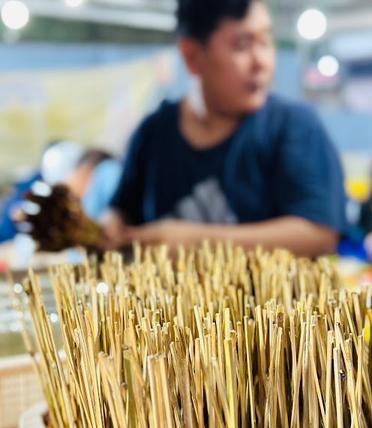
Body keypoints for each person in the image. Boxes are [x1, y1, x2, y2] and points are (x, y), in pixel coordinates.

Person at [107, 0, 346, 256]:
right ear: (192, 57)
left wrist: (194, 243)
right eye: (242, 45)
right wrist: (109, 226)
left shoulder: (294, 127)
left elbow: (319, 233)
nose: (261, 61)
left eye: (266, 41)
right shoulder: (153, 133)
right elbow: (123, 211)